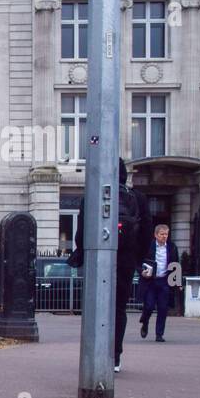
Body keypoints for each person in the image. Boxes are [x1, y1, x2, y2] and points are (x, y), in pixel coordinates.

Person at [71, 158, 151, 372]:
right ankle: (115, 356)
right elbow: (146, 233)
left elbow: (82, 231)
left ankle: (92, 352)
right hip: (125, 259)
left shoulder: (91, 198)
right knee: (119, 308)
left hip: (97, 259)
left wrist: (81, 252)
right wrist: (140, 259)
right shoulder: (138, 198)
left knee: (94, 306)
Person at [139, 224, 180, 342]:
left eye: (166, 234)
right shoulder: (148, 246)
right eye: (162, 234)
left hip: (164, 281)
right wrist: (142, 271)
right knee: (149, 306)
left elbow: (176, 264)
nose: (164, 236)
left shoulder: (172, 247)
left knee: (163, 308)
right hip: (150, 281)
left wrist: (177, 283)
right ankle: (145, 322)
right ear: (156, 235)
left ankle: (159, 334)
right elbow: (139, 261)